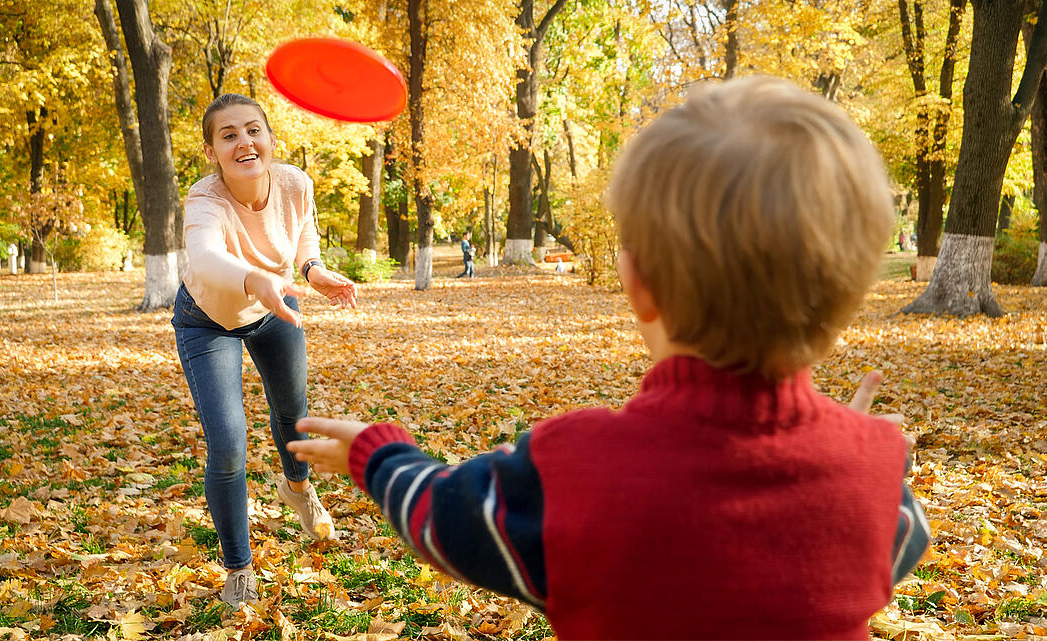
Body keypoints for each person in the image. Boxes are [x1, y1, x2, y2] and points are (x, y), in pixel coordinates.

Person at [288, 77, 930, 639]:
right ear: (847, 293)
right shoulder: (873, 471)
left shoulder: (574, 467)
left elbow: (445, 518)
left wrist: (378, 456)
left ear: (639, 283)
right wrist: (847, 446)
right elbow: (882, 540)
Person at [172, 93, 358, 608]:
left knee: (293, 415)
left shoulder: (296, 183)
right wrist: (255, 278)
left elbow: (303, 238)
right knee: (229, 444)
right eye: (228, 135)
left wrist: (314, 272)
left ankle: (297, 490)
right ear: (211, 150)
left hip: (272, 309)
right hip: (208, 321)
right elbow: (206, 258)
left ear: (270, 138)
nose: (244, 142)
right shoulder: (204, 198)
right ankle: (238, 567)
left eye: (253, 130)